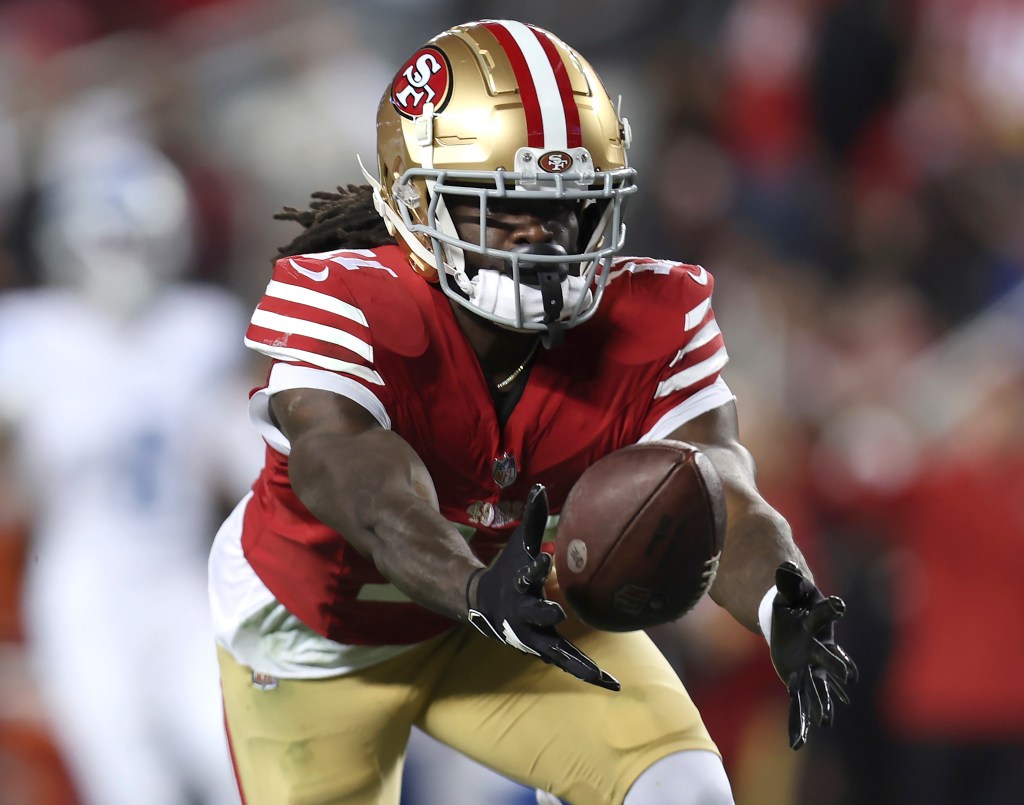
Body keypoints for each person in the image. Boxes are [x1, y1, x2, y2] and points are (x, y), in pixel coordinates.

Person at [209, 19, 856, 805]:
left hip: (527, 614)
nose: (542, 236)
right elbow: (357, 481)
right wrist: (474, 585)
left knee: (681, 792)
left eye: (564, 205)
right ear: (417, 201)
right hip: (324, 634)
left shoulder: (655, 309)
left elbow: (721, 487)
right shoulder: (345, 295)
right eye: (501, 206)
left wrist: (776, 591)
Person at [0, 124, 256, 805]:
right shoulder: (33, 335)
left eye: (136, 240)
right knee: (131, 784)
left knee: (233, 763)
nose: (125, 260)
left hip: (179, 581)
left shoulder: (196, 327)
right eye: (110, 242)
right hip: (83, 590)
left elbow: (247, 462)